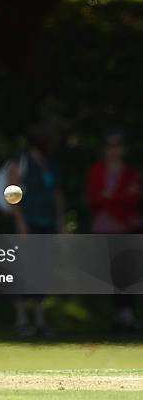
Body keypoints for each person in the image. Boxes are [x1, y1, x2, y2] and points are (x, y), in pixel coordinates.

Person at [7, 120, 66, 338]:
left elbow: (57, 193)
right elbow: (11, 197)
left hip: (47, 223)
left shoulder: (49, 163)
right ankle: (22, 319)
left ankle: (40, 320)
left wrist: (60, 222)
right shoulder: (20, 162)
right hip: (27, 225)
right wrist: (21, 223)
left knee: (43, 271)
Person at [85, 128, 141, 334]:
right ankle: (120, 315)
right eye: (111, 146)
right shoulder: (97, 171)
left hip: (128, 227)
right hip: (104, 227)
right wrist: (117, 197)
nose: (114, 150)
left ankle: (127, 314)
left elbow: (133, 200)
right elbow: (94, 199)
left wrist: (110, 196)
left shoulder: (130, 173)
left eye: (118, 145)